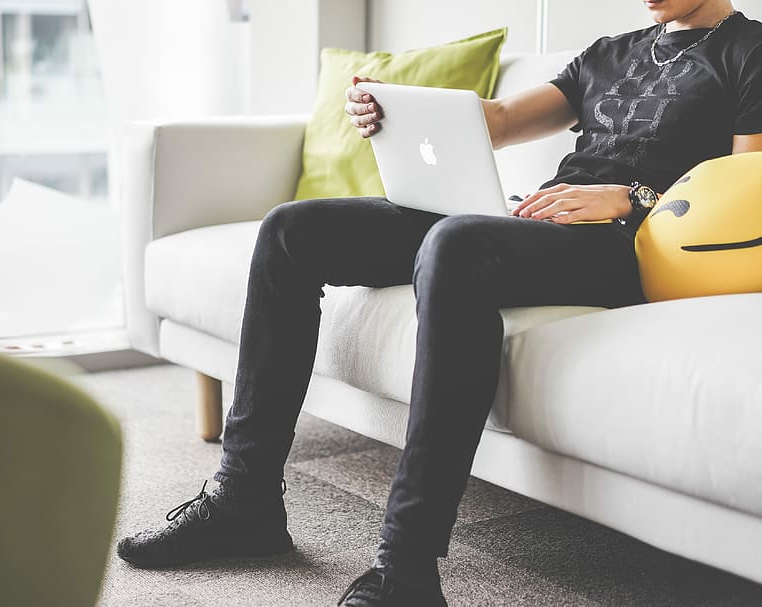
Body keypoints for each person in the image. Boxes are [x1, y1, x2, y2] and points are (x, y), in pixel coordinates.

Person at [118, 0, 762, 604]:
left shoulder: (748, 51)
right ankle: (245, 500)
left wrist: (634, 197)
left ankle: (408, 563)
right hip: (543, 220)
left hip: (632, 246)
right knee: (293, 230)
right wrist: (393, 108)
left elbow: (741, 194)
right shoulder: (615, 50)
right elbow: (502, 121)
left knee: (457, 243)